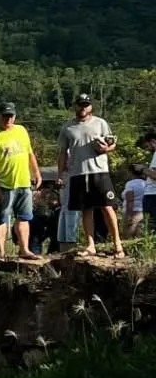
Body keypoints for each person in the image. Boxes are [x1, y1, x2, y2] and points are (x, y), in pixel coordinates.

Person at [55, 93, 123, 257]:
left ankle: (117, 245)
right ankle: (90, 245)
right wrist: (60, 174)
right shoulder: (67, 127)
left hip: (99, 171)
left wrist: (107, 149)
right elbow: (62, 153)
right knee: (86, 209)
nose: (83, 108)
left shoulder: (100, 123)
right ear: (75, 106)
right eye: (80, 104)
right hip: (78, 173)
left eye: (86, 104)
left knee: (107, 207)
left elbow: (112, 143)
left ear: (91, 106)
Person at [0, 102, 42, 259]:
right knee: (2, 219)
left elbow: (29, 153)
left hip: (23, 182)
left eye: (11, 116)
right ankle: (1, 252)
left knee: (24, 217)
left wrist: (36, 172)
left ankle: (25, 249)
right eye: (5, 116)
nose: (8, 119)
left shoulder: (21, 130)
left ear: (14, 116)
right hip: (5, 185)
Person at [121, 165, 146, 237]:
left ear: (131, 173)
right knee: (139, 237)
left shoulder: (130, 184)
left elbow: (130, 200)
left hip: (132, 212)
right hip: (142, 213)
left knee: (128, 236)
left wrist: (129, 216)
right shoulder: (146, 183)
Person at [143, 132, 156, 233]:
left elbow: (155, 175)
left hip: (153, 194)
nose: (148, 149)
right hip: (151, 194)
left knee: (152, 225)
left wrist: (142, 169)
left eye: (147, 146)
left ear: (153, 142)